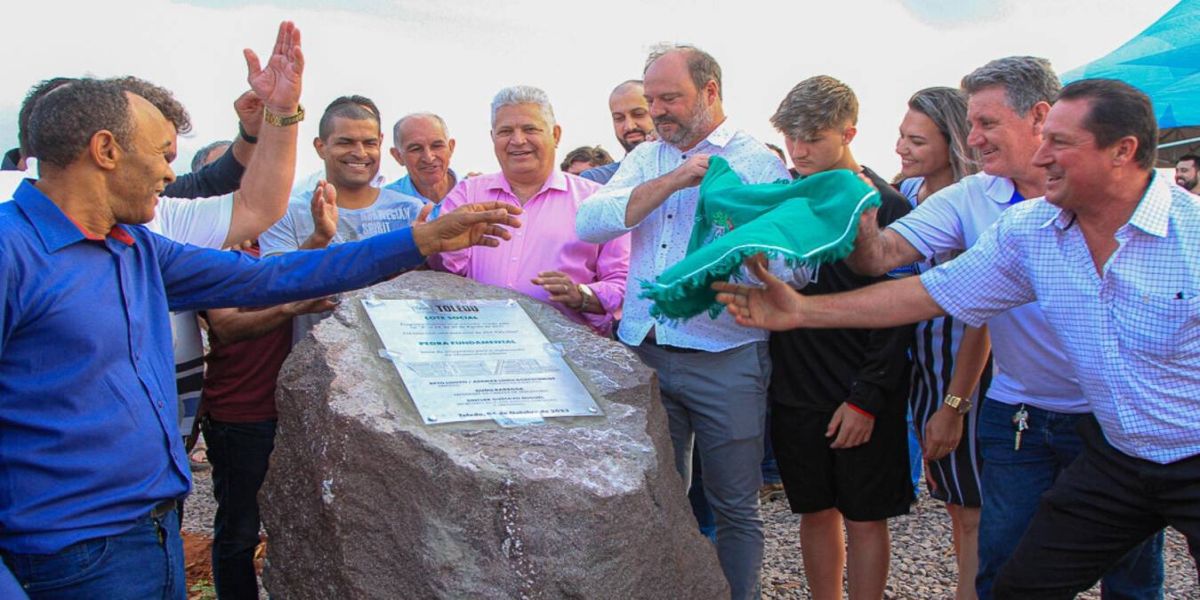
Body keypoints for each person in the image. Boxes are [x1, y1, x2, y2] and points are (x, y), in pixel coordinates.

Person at [0, 60, 521, 600]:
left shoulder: (134, 248)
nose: (170, 174)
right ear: (106, 150)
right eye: (161, 155)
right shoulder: (11, 253)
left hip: (150, 533)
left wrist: (422, 240)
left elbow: (273, 275)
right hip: (64, 554)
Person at [714, 77, 1198, 600]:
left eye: (1059, 142)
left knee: (1133, 587)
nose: (1043, 155)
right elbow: (928, 292)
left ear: (1123, 151)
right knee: (1017, 585)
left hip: (1191, 453)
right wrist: (804, 311)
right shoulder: (1029, 230)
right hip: (1114, 455)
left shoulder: (1191, 236)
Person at [840, 56, 1164, 600]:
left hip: (1116, 418)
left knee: (1130, 576)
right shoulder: (973, 199)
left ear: (1039, 116)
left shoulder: (1133, 208)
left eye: (986, 124)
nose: (973, 139)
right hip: (1018, 415)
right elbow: (886, 259)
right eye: (969, 125)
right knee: (1005, 570)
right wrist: (846, 212)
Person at [576, 44, 793, 599]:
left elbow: (798, 270)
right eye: (650, 100)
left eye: (669, 98)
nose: (656, 111)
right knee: (657, 496)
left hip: (728, 356)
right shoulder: (648, 158)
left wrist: (749, 243)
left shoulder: (757, 163)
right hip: (648, 350)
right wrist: (671, 183)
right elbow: (591, 222)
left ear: (711, 92)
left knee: (735, 505)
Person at [768, 75, 914, 600]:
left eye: (814, 137)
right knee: (813, 510)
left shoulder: (888, 204)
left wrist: (867, 399)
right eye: (791, 136)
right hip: (794, 386)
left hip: (862, 387)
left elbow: (901, 313)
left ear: (849, 132)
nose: (800, 150)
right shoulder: (784, 198)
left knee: (866, 516)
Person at [894, 86, 989, 600]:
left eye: (915, 140)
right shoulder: (909, 197)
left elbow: (984, 320)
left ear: (951, 143)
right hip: (927, 369)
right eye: (901, 136)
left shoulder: (973, 210)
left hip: (966, 373)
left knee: (972, 510)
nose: (901, 149)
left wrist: (954, 403)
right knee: (955, 503)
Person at [434, 85, 629, 336]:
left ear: (556, 135)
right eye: (506, 131)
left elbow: (623, 282)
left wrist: (582, 295)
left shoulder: (597, 201)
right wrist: (432, 246)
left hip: (569, 354)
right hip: (480, 344)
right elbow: (445, 275)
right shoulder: (466, 196)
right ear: (493, 138)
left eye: (530, 129)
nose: (517, 140)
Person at [259, 95, 425, 341]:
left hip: (398, 357)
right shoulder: (285, 212)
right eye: (345, 142)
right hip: (322, 364)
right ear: (320, 146)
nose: (359, 153)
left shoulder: (412, 210)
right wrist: (319, 238)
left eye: (369, 143)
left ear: (380, 143)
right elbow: (272, 288)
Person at [580, 79, 655, 184]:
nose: (629, 126)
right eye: (619, 118)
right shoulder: (596, 180)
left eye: (638, 114)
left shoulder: (681, 170)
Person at [384, 112, 459, 205]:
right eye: (416, 149)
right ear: (398, 156)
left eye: (436, 146)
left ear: (451, 148)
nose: (429, 158)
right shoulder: (383, 204)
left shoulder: (476, 191)